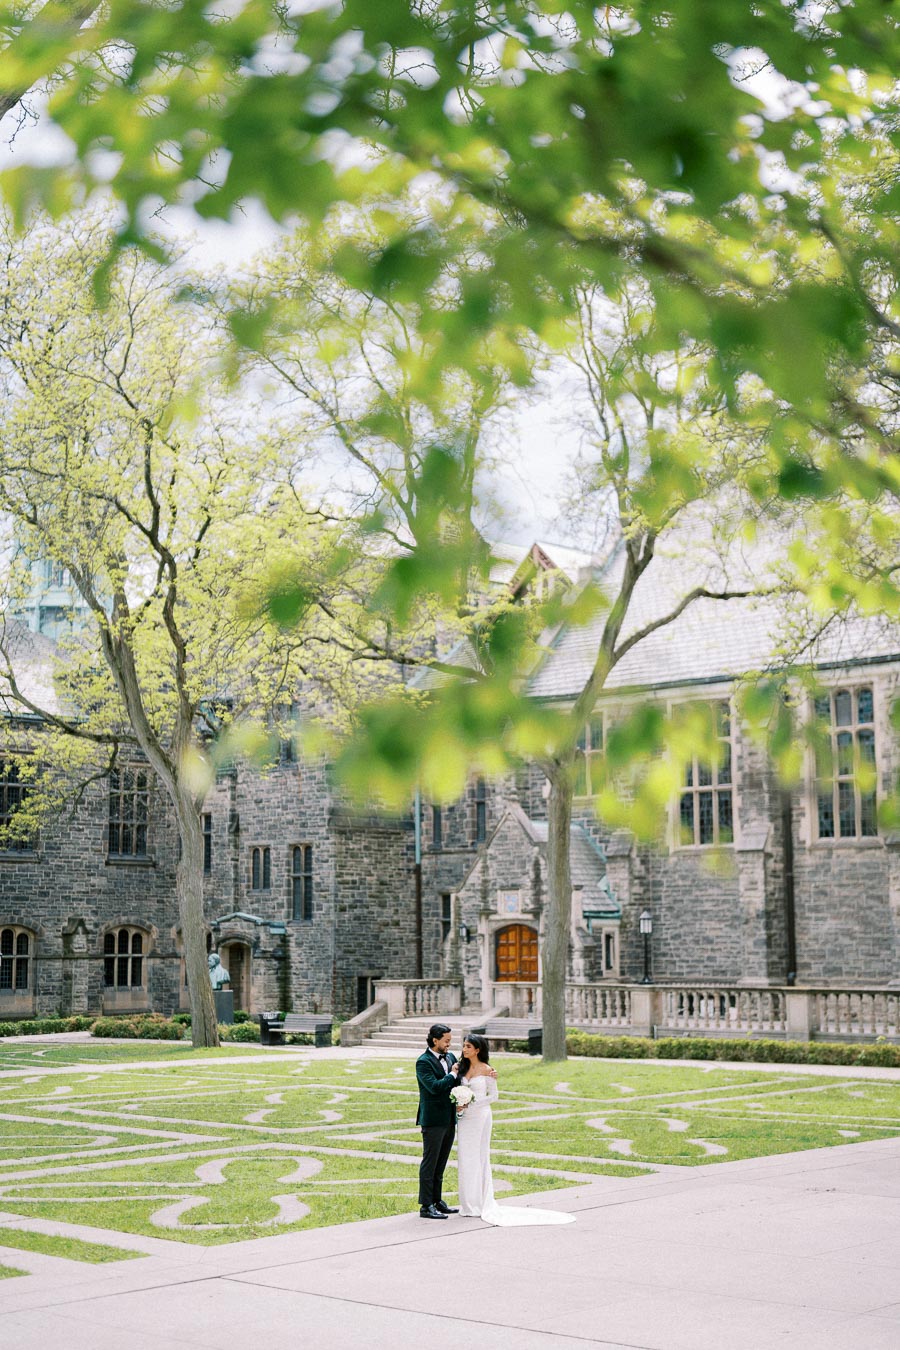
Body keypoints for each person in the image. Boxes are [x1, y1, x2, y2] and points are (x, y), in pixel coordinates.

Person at [455, 1033, 575, 1227]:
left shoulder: (487, 1070)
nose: (464, 1049)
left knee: (479, 1156)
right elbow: (454, 1087)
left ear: (477, 1050)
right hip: (465, 1119)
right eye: (464, 1046)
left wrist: (472, 1102)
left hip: (481, 1116)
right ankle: (467, 1203)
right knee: (465, 1157)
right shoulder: (460, 1068)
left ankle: (480, 1201)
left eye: (468, 1046)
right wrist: (460, 1104)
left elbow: (494, 1096)